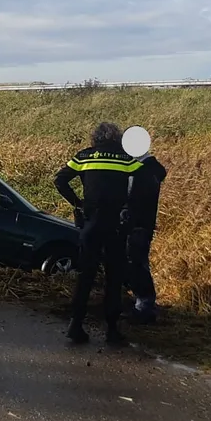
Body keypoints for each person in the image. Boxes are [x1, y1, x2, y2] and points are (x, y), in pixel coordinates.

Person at [54, 122, 146, 345]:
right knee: (113, 279)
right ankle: (112, 330)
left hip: (91, 224)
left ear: (95, 138)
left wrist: (78, 203)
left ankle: (75, 325)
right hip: (115, 226)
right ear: (118, 138)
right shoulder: (126, 159)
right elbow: (143, 184)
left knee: (85, 276)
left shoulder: (84, 156)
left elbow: (59, 179)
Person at [125, 151, 167, 324]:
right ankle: (142, 304)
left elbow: (132, 199)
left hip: (138, 225)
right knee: (137, 263)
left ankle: (144, 307)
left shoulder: (143, 170)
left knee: (138, 264)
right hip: (142, 225)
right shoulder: (151, 169)